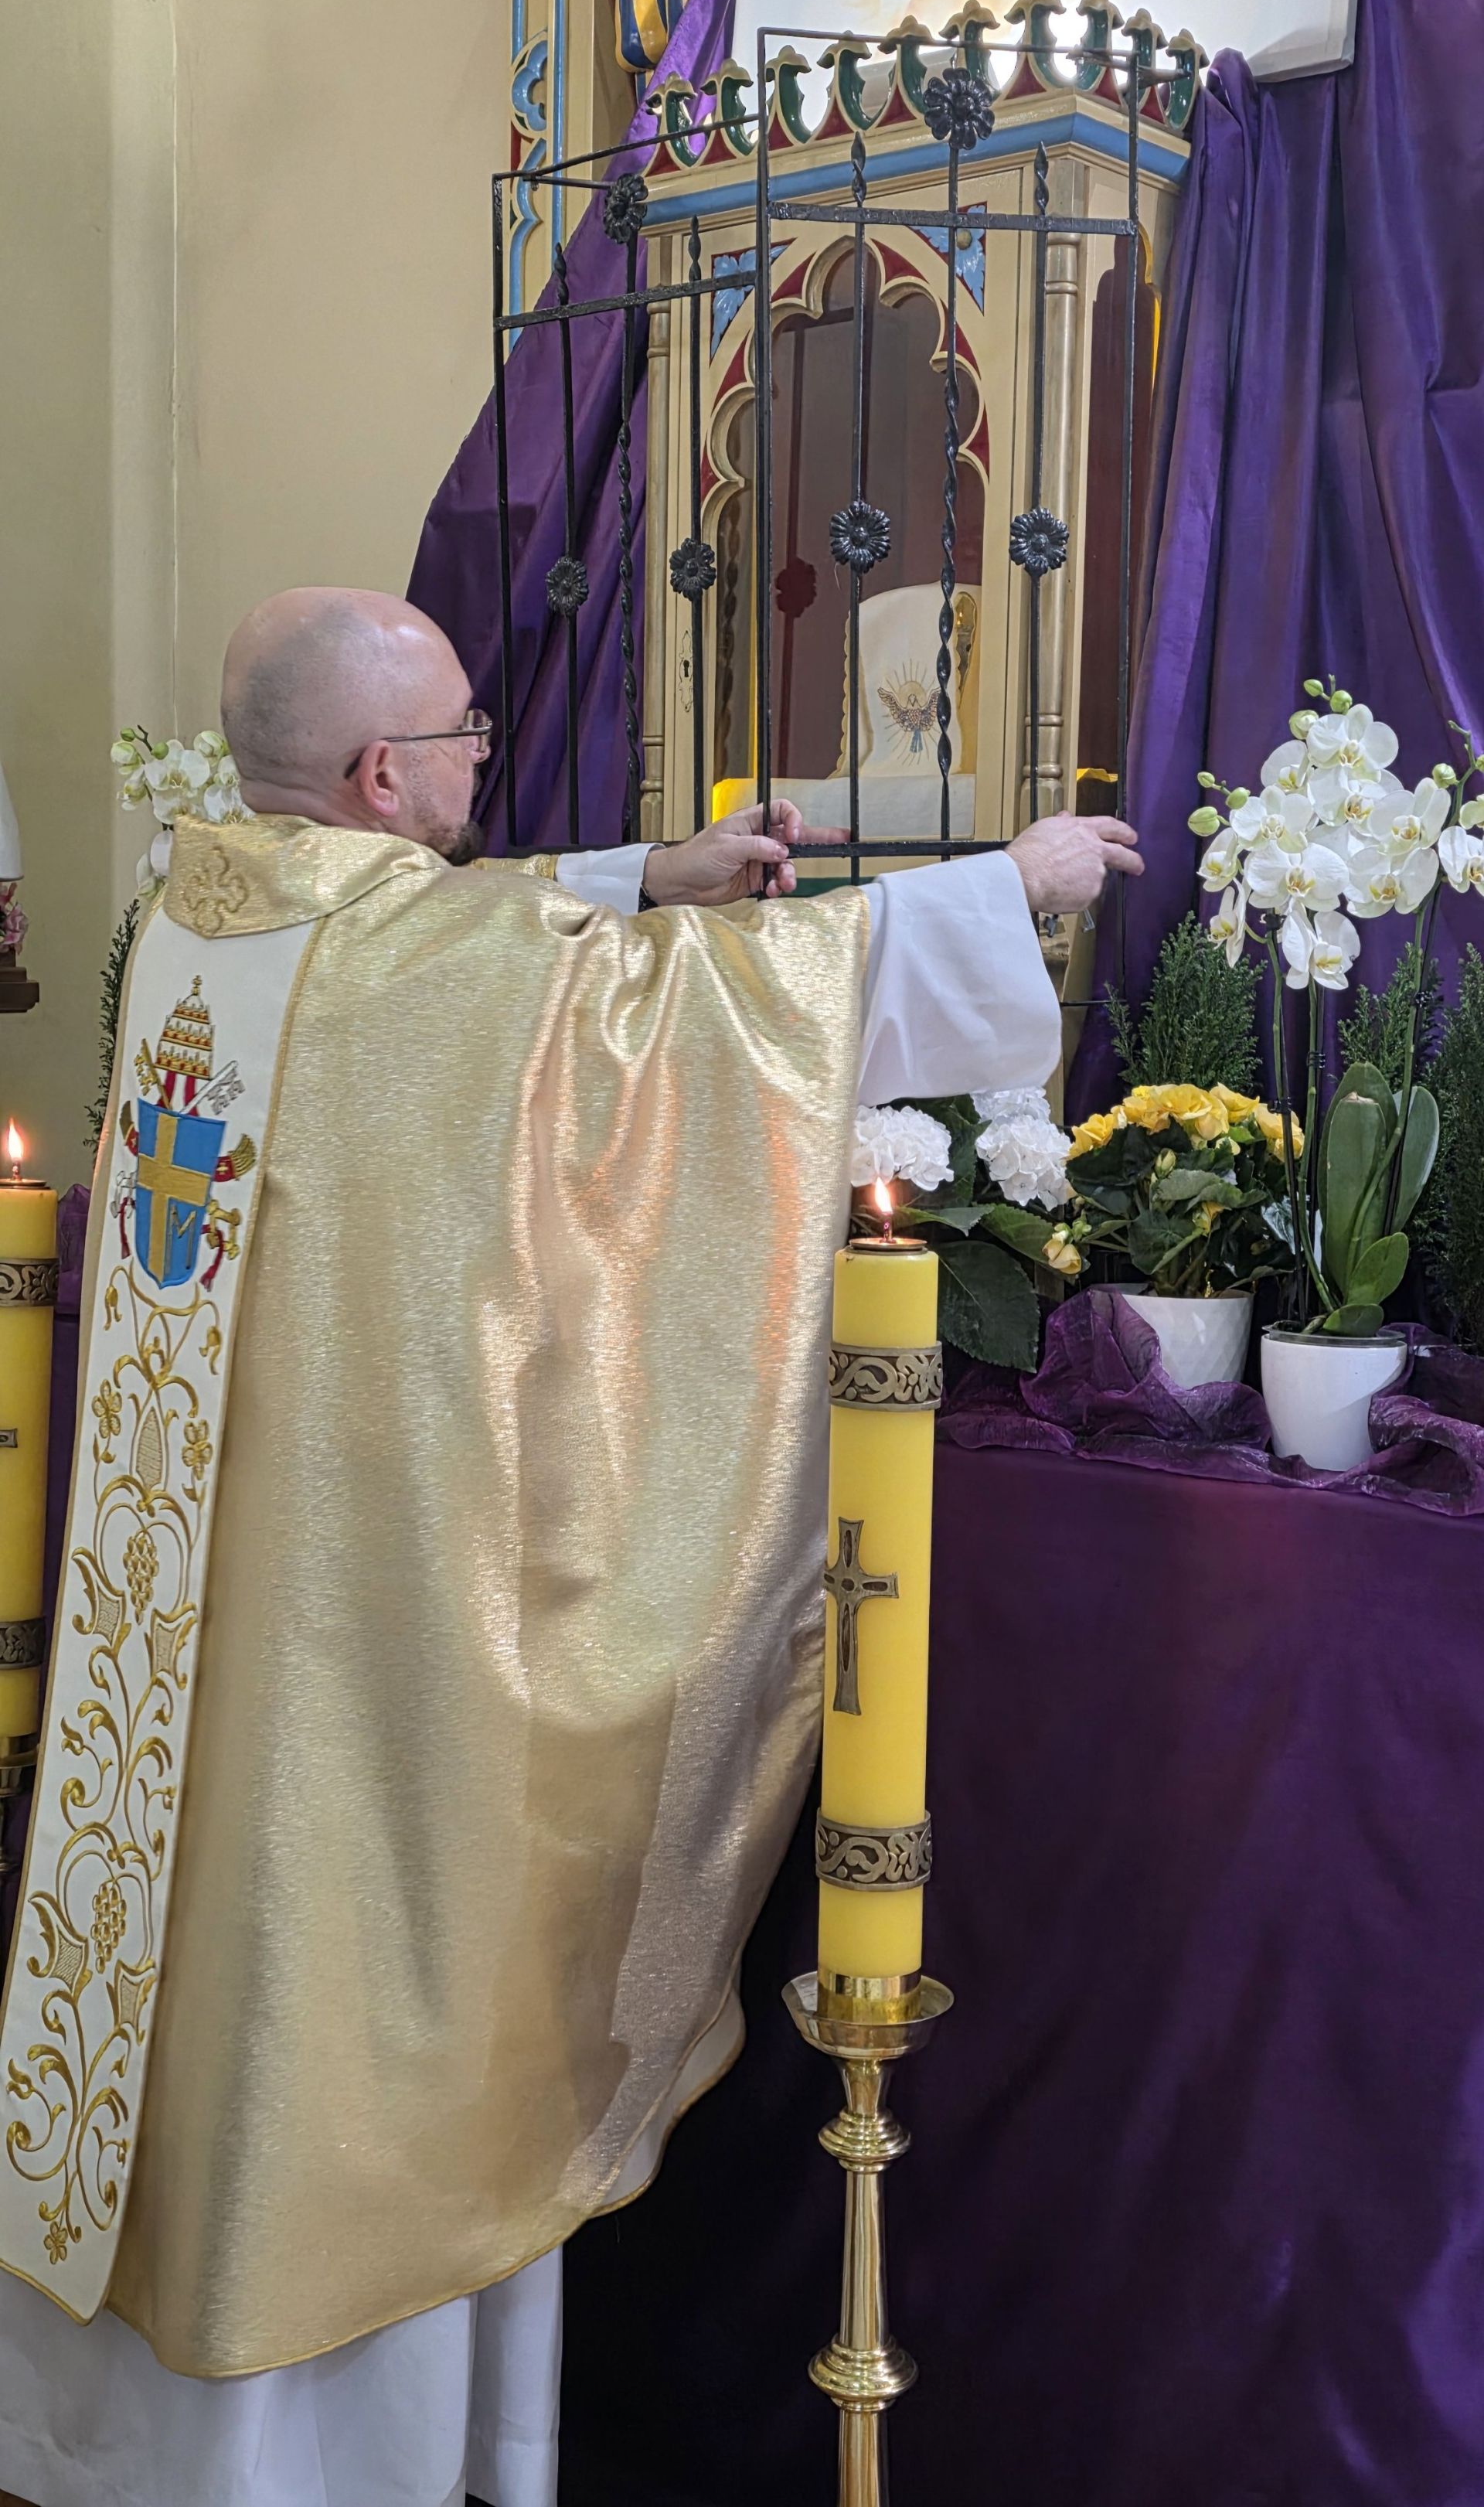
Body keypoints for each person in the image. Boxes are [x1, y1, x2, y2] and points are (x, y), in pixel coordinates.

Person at [0, 590, 1140, 2507]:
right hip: (354, 1654)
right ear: (382, 776)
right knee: (372, 1988)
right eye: (461, 737)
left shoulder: (210, 913)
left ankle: (102, 2439)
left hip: (186, 1626)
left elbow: (482, 937)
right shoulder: (413, 956)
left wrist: (648, 874)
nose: (482, 762)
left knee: (192, 2003)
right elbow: (684, 1019)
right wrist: (997, 890)